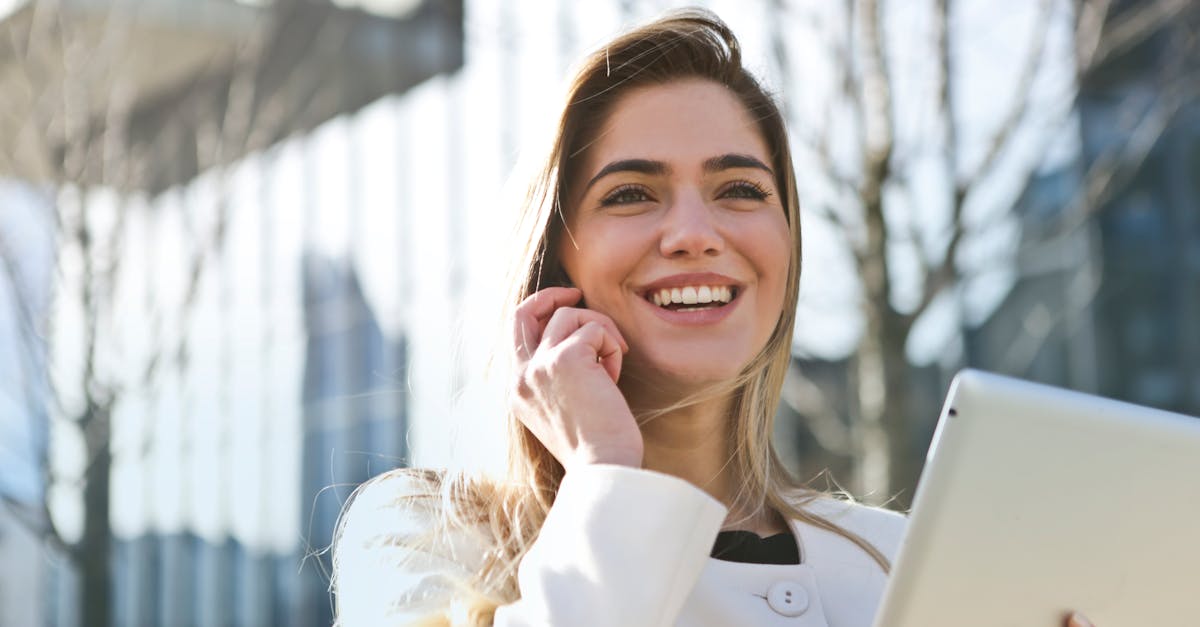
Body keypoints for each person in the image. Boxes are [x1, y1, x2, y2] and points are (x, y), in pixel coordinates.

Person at [332, 9, 1095, 627]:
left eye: (740, 189)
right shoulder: (422, 539)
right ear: (554, 259)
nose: (696, 231)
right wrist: (604, 471)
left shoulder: (897, 560)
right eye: (631, 193)